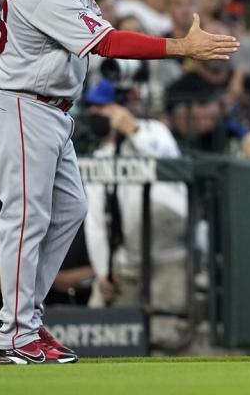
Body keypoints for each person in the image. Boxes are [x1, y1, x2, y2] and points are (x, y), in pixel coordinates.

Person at [0, 0, 238, 365]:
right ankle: (15, 332)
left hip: (49, 108)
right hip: (23, 106)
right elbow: (107, 43)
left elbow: (101, 37)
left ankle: (25, 323)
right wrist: (180, 48)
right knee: (26, 219)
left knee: (71, 209)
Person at [81, 82, 189, 344]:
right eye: (92, 107)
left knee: (167, 338)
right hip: (127, 260)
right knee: (104, 335)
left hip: (170, 257)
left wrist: (135, 132)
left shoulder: (154, 131)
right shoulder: (98, 156)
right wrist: (101, 270)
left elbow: (172, 172)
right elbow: (94, 221)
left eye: (103, 107)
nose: (96, 113)